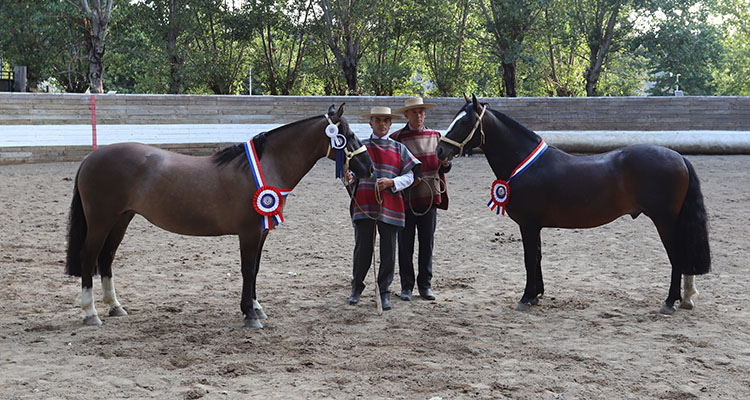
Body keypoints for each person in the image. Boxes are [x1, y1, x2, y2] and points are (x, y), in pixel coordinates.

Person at [347, 106, 421, 311]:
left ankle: (384, 291)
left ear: (390, 124)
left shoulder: (399, 149)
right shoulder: (360, 147)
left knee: (388, 250)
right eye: (377, 120)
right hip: (364, 204)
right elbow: (351, 174)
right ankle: (356, 288)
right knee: (362, 249)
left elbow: (410, 176)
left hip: (390, 205)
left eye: (386, 121)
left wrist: (391, 182)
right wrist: (349, 178)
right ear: (370, 123)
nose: (382, 124)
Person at [391, 97, 451, 301]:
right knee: (405, 244)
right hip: (405, 200)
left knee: (427, 243)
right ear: (406, 115)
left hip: (429, 198)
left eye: (421, 112)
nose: (419, 116)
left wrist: (445, 164)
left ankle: (425, 285)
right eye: (414, 112)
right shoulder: (396, 139)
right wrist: (406, 180)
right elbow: (392, 169)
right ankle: (407, 286)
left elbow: (444, 167)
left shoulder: (436, 137)